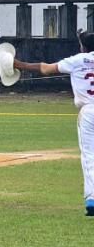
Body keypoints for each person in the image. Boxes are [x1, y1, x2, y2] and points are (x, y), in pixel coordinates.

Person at [13, 31, 94, 216]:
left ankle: (91, 199)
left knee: (89, 155)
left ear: (84, 47)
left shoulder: (77, 60)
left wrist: (19, 65)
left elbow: (46, 69)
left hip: (88, 112)